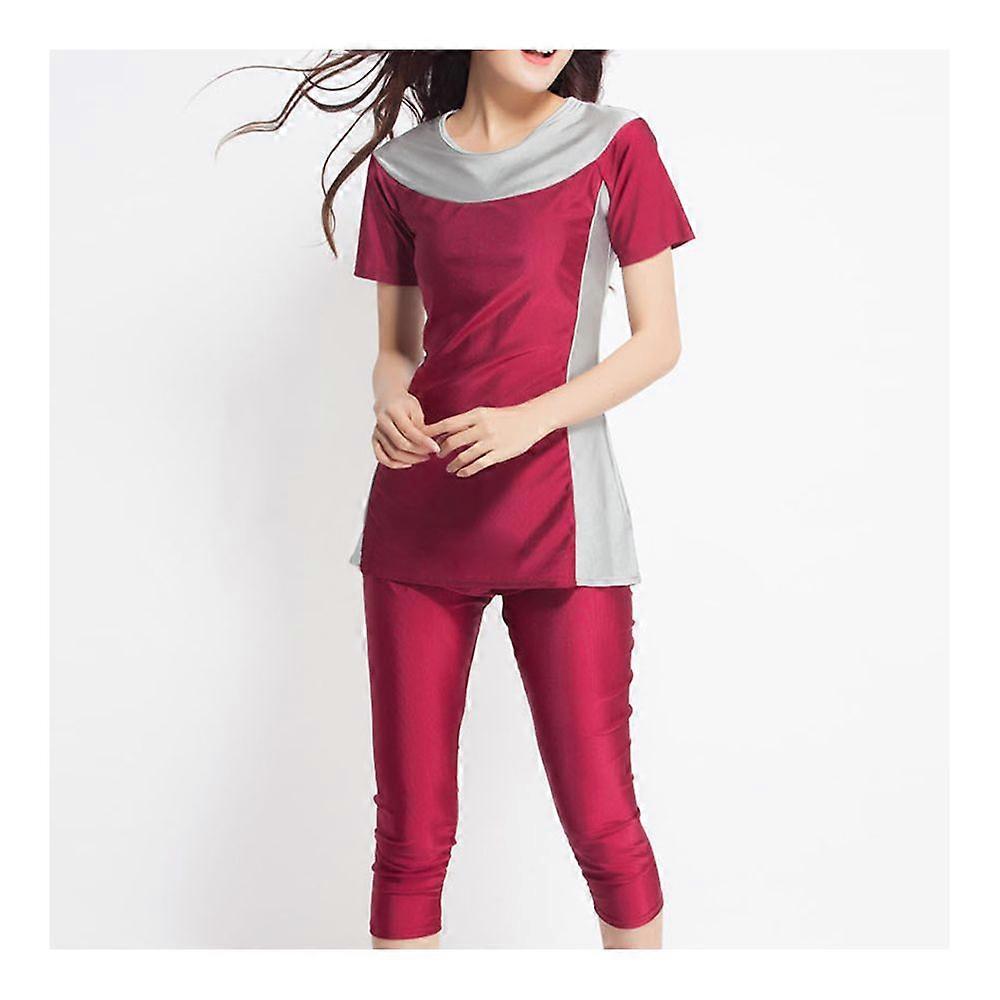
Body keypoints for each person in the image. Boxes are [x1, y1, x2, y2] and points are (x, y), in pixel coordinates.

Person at [226, 49, 694, 949]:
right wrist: (388, 400)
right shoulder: (402, 169)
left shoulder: (616, 144)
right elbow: (396, 350)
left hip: (563, 521)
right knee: (410, 840)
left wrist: (530, 421)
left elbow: (658, 341)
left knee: (603, 824)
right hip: (419, 518)